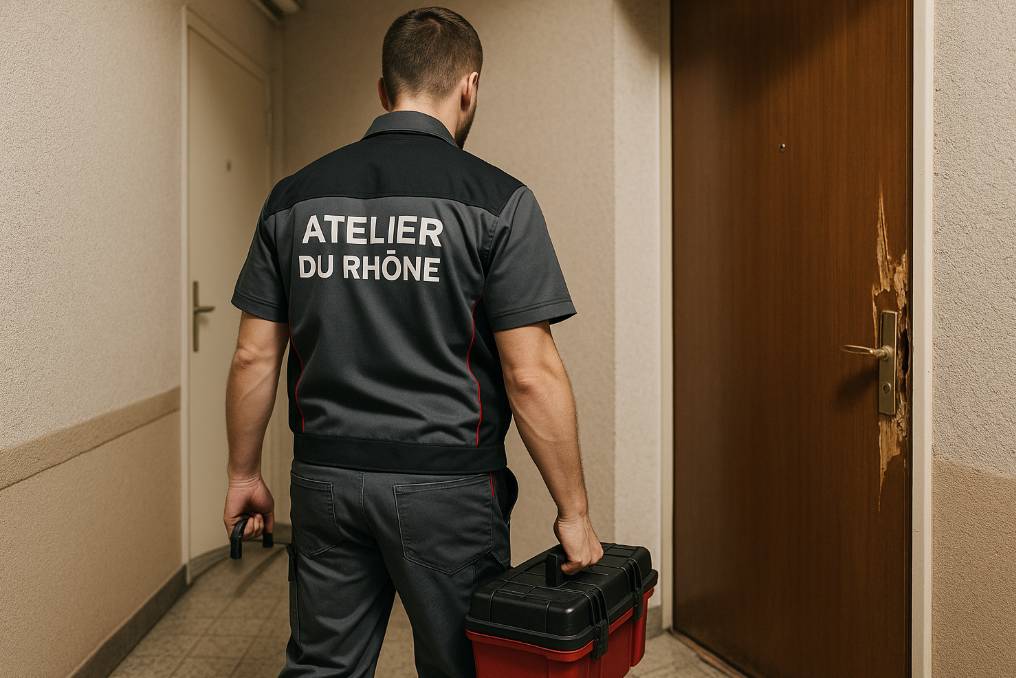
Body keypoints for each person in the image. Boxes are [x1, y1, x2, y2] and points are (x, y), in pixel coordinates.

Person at [222, 6, 602, 677]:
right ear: (469, 87)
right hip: (448, 489)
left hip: (325, 479)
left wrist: (243, 475)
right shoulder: (498, 201)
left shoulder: (293, 198)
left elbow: (255, 354)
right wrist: (573, 511)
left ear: (383, 90)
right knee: (460, 665)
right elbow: (531, 373)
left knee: (323, 667)